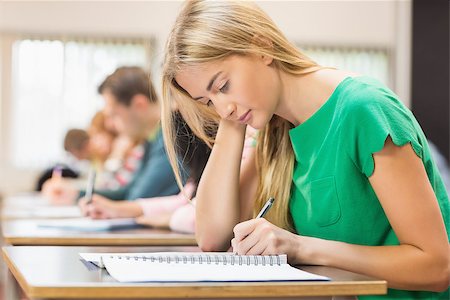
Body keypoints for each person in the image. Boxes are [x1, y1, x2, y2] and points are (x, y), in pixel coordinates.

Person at [160, 1, 449, 299]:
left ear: (262, 46)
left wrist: (301, 247)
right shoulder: (275, 130)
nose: (222, 108)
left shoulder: (363, 109)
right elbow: (212, 237)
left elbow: (435, 267)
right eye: (207, 102)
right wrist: (232, 124)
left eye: (223, 85)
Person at [43, 66, 179, 204]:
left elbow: (136, 198)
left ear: (139, 105)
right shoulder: (152, 140)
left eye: (114, 115)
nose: (109, 125)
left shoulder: (173, 137)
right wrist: (77, 194)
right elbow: (128, 191)